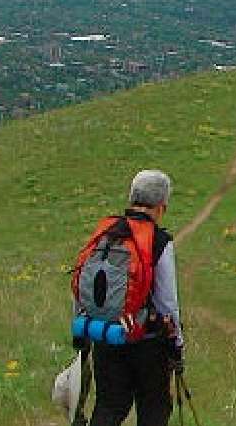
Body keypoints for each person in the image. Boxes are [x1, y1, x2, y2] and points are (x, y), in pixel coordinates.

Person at [73, 169, 184, 426]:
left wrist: (83, 333)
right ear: (161, 207)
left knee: (109, 407)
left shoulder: (106, 232)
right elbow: (167, 303)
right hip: (147, 341)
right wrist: (177, 346)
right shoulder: (159, 241)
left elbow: (82, 283)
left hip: (105, 336)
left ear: (132, 197)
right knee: (154, 411)